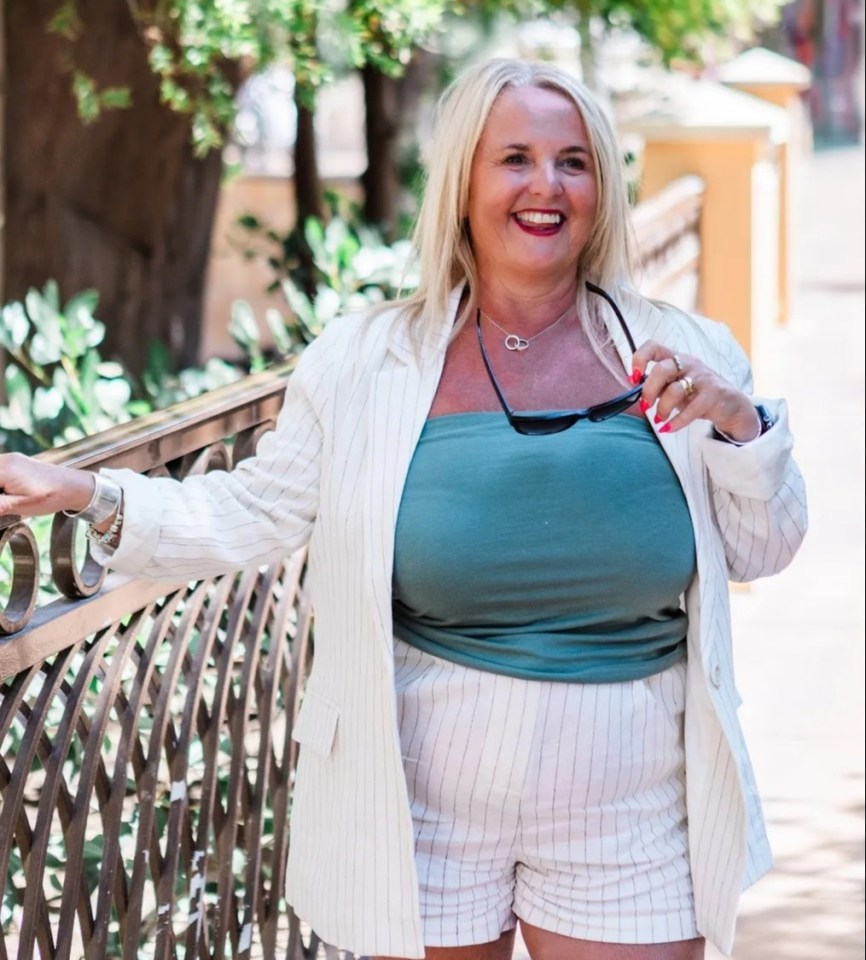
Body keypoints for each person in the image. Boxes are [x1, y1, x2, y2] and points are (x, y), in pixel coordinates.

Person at [0, 58, 807, 960]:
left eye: (573, 161)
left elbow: (764, 546)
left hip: (631, 793)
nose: (547, 185)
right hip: (419, 798)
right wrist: (87, 494)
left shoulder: (687, 352)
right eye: (516, 159)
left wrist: (741, 426)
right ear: (462, 180)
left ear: (602, 187)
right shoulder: (365, 360)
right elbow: (255, 509)